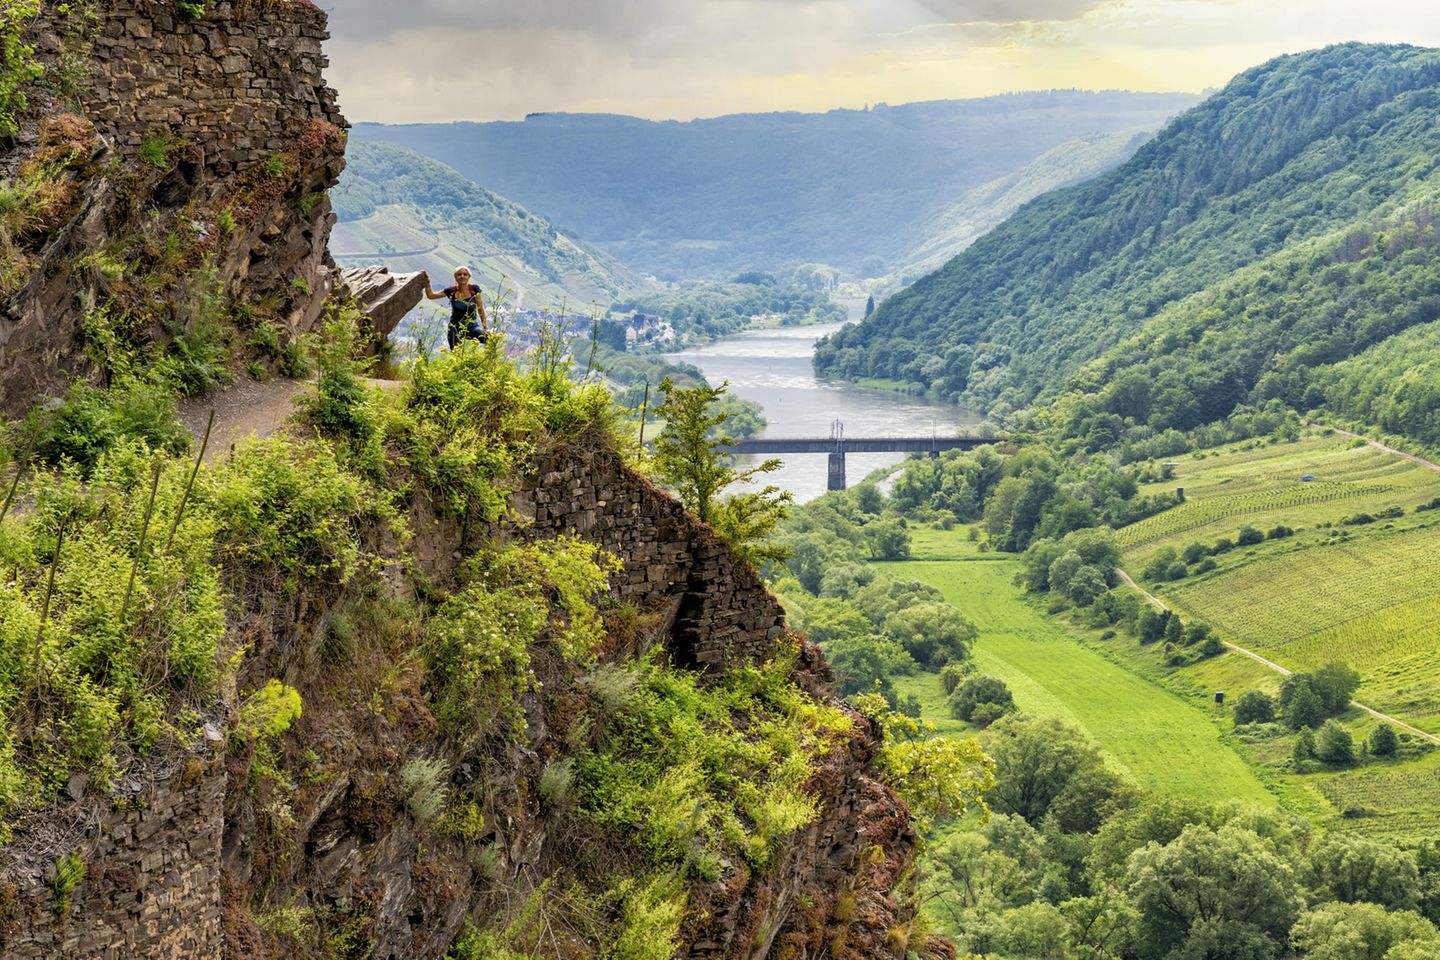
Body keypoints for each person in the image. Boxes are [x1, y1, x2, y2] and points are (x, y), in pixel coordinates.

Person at [423, 266, 489, 350]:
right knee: (456, 354)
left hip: (471, 326)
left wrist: (485, 328)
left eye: (465, 274)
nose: (462, 276)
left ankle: (486, 361)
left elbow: (480, 309)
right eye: (459, 274)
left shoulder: (474, 289)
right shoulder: (452, 291)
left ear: (469, 277)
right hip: (455, 328)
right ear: (455, 277)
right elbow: (431, 296)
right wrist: (427, 282)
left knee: (490, 339)